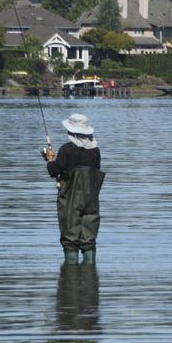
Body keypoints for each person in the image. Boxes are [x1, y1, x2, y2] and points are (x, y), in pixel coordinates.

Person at [43, 113, 105, 265]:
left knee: (70, 236)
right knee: (89, 236)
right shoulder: (95, 151)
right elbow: (96, 170)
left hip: (70, 198)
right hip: (91, 198)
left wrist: (50, 159)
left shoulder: (67, 149)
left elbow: (53, 171)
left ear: (71, 132)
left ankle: (70, 276)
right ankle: (90, 275)